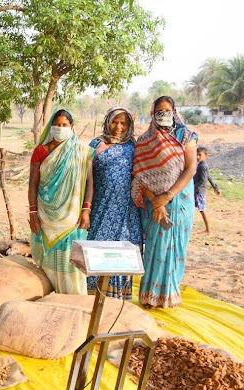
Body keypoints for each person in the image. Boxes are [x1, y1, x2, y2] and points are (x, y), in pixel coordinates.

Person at [131, 96, 198, 308]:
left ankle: (169, 294)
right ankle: (150, 296)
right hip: (153, 204)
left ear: (174, 112)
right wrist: (156, 202)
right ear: (152, 113)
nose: (163, 115)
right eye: (159, 111)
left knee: (175, 245)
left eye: (167, 111)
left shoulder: (185, 135)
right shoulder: (144, 140)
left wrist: (167, 197)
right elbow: (140, 175)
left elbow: (190, 168)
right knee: (154, 246)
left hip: (179, 200)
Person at [28, 109, 94, 294]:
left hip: (72, 218)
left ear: (72, 127)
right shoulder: (41, 151)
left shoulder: (82, 151)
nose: (60, 128)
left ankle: (74, 301)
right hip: (45, 215)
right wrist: (33, 213)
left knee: (71, 264)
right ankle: (51, 299)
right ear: (51, 126)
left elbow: (90, 183)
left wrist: (86, 210)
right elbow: (33, 184)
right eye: (57, 124)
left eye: (65, 125)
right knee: (47, 264)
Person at [87, 107, 142, 298]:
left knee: (121, 251)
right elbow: (85, 178)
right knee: (97, 248)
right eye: (114, 122)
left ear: (129, 125)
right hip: (100, 207)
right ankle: (94, 298)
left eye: (123, 123)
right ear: (107, 121)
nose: (118, 127)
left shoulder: (134, 146)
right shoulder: (95, 144)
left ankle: (117, 299)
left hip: (125, 211)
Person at [193, 146, 221, 234]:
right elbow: (209, 177)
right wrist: (215, 187)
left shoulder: (202, 166)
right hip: (198, 190)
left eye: (199, 155)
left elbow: (203, 180)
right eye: (196, 155)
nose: (197, 157)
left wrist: (192, 188)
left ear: (206, 155)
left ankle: (208, 230)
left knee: (202, 210)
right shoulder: (201, 165)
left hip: (198, 191)